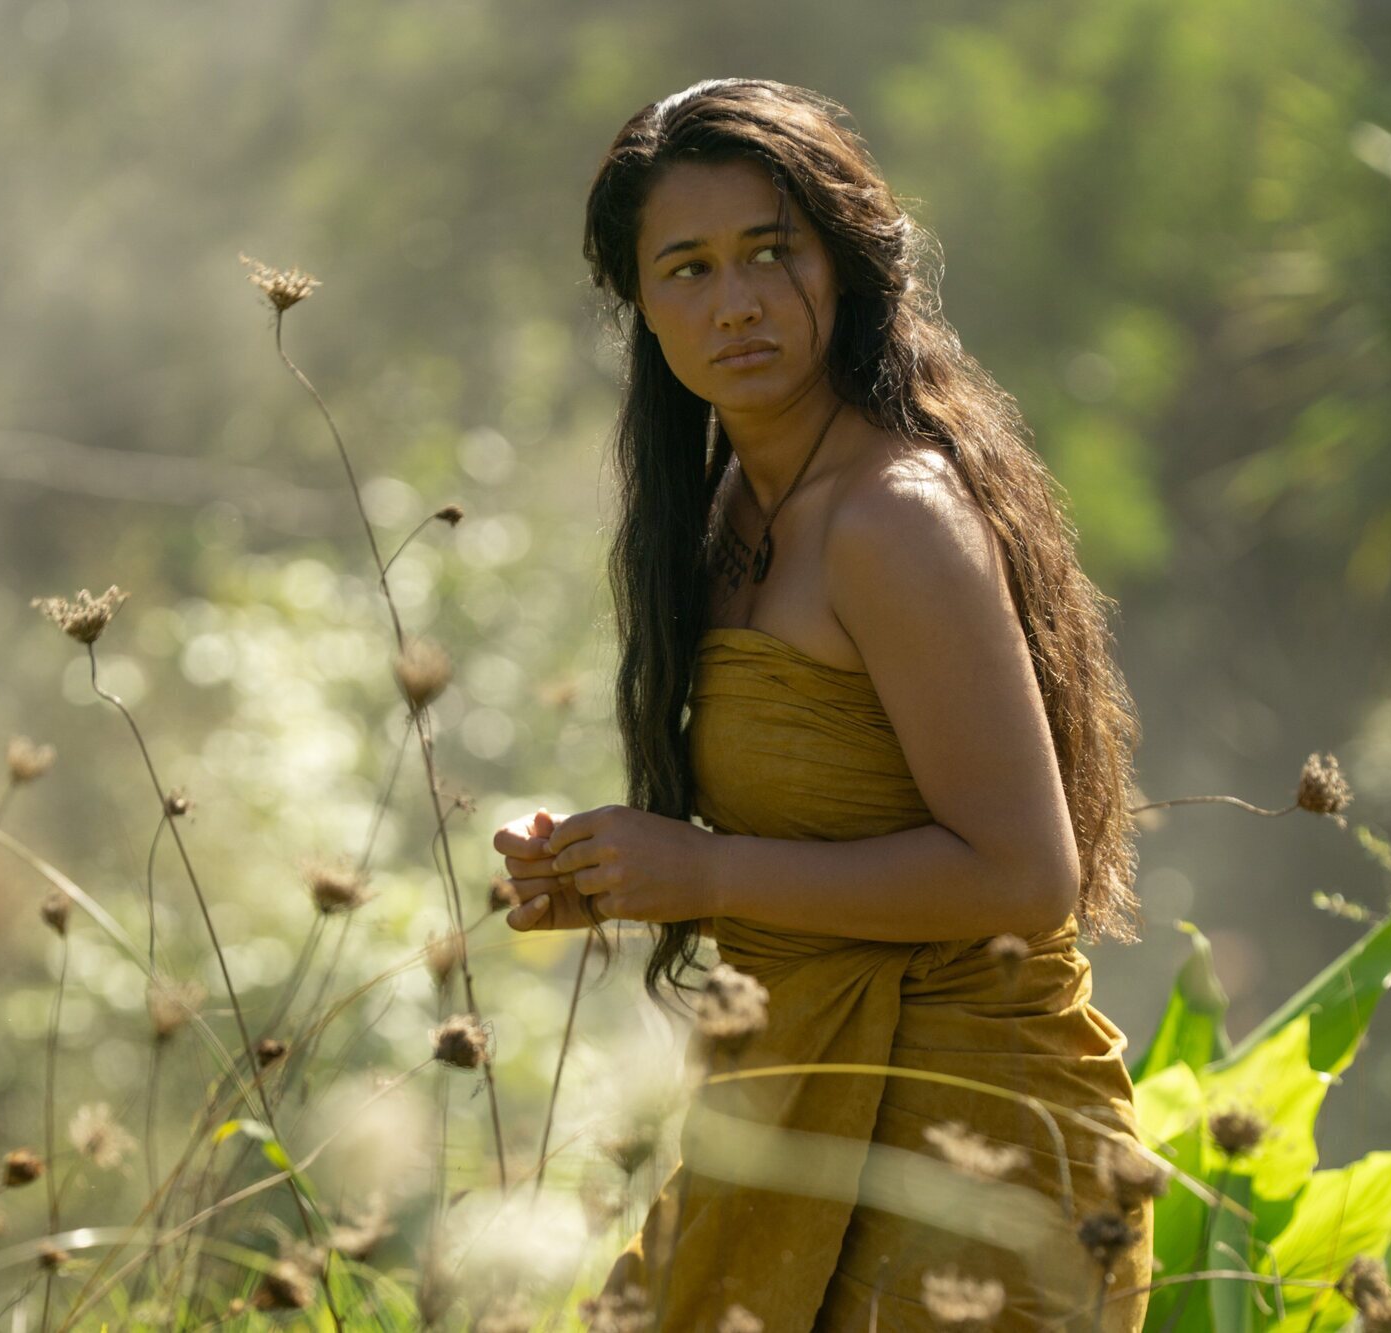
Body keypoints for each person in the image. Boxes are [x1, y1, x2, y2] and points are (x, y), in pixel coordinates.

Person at [491, 77, 1154, 1331]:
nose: (733, 301)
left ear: (842, 263)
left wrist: (704, 872)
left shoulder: (890, 518)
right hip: (797, 1111)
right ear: (636, 302)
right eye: (684, 268)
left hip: (972, 1161)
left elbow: (1023, 877)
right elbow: (807, 836)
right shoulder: (731, 501)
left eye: (768, 252)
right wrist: (611, 873)